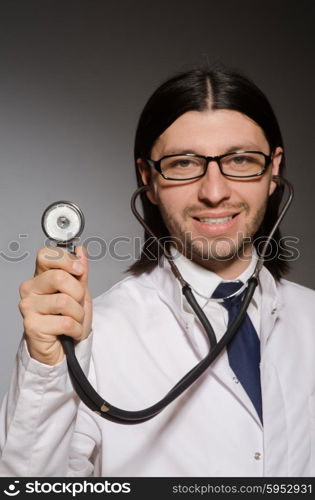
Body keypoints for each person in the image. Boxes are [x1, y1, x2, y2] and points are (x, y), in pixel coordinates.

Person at [0, 67, 315, 477]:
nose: (215, 191)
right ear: (148, 178)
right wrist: (46, 371)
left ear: (274, 170)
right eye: (184, 163)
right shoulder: (93, 338)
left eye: (240, 159)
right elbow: (31, 485)